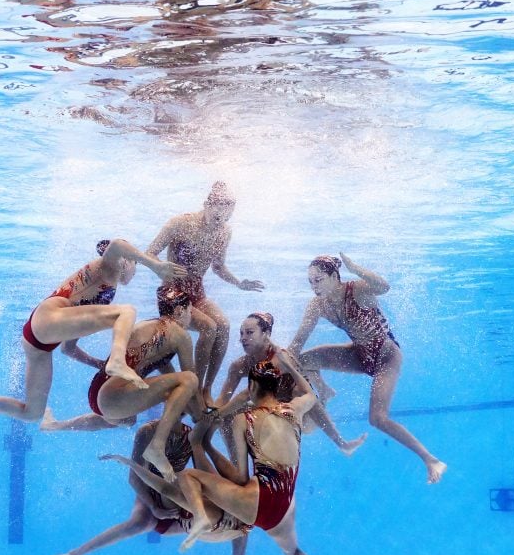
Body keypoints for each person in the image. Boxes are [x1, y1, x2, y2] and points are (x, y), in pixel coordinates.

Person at [119, 356, 356, 555]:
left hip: (257, 502)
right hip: (283, 508)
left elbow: (239, 478)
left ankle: (200, 519)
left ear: (253, 387)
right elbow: (310, 394)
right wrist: (290, 365)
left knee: (189, 478)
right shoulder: (295, 411)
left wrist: (205, 445)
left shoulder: (246, 419)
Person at [0, 239, 185, 422]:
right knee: (127, 312)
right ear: (125, 263)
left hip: (39, 344)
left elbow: (68, 348)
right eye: (135, 266)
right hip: (47, 319)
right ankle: (118, 362)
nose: (135, 271)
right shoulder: (107, 270)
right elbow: (117, 244)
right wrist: (156, 266)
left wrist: (98, 363)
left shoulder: (102, 298)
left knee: (32, 413)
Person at [50, 418, 253, 555]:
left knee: (237, 514)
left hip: (177, 493)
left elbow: (200, 475)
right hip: (150, 492)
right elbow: (134, 478)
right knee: (139, 523)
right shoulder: (147, 431)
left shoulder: (189, 433)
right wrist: (153, 507)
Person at [288, 253, 446, 484]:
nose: (314, 287)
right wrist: (273, 361)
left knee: (378, 418)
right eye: (310, 281)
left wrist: (355, 267)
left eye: (319, 280)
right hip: (359, 354)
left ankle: (430, 459)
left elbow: (384, 286)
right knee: (301, 360)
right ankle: (325, 392)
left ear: (334, 276)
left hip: (387, 357)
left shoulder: (357, 290)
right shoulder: (317, 305)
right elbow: (297, 343)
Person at [44, 285, 205, 480]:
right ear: (180, 310)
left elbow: (169, 384)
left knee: (129, 419)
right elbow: (190, 383)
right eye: (190, 311)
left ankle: (55, 425)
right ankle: (157, 446)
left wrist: (190, 407)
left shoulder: (151, 326)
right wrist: (202, 416)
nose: (191, 317)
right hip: (112, 396)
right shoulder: (179, 334)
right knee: (190, 379)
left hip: (99, 391)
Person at [146, 181, 264, 398]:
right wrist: (159, 268)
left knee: (224, 326)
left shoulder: (224, 233)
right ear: (206, 204)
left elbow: (218, 267)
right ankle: (193, 388)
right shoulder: (180, 223)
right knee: (209, 327)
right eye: (217, 208)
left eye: (227, 210)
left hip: (196, 291)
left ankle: (206, 388)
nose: (221, 215)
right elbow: (150, 253)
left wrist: (239, 283)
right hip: (172, 292)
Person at [214, 312, 366, 455]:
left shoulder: (279, 359)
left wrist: (341, 443)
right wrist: (209, 414)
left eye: (249, 332)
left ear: (265, 335)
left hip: (302, 418)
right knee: (228, 416)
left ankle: (323, 393)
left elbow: (309, 401)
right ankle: (237, 473)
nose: (243, 338)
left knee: (297, 392)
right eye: (241, 333)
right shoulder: (239, 366)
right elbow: (222, 401)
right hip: (272, 412)